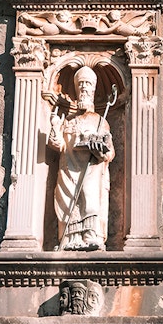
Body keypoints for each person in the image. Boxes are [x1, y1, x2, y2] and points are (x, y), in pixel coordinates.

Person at [47, 66, 114, 250]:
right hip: (68, 169)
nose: (84, 88)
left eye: (88, 85)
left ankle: (91, 236)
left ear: (93, 90)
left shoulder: (100, 121)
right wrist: (55, 126)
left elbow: (109, 152)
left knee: (90, 200)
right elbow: (58, 144)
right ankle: (71, 239)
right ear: (77, 90)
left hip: (92, 171)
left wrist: (99, 150)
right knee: (69, 202)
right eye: (81, 84)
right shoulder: (68, 121)